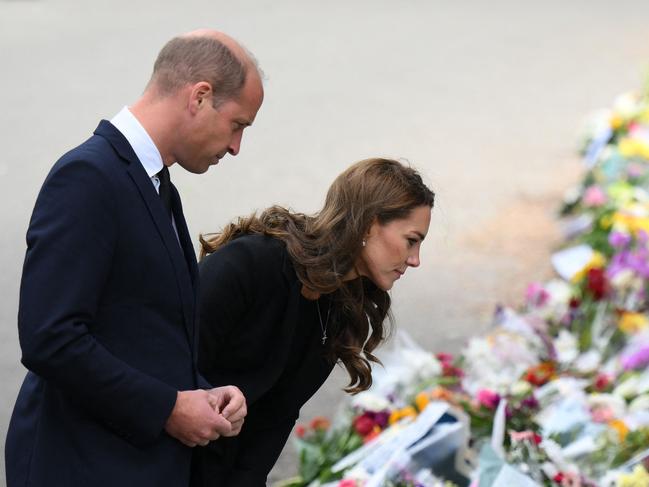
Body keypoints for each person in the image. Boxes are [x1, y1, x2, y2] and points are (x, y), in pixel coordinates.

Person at [5, 29, 264, 487]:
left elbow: (140, 334)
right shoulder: (88, 176)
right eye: (238, 124)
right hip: (80, 467)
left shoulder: (156, 183)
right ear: (200, 97)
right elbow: (50, 338)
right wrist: (167, 409)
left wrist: (203, 394)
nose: (236, 146)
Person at [196, 157, 435, 485]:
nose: (415, 259)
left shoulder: (341, 307)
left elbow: (278, 416)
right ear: (368, 224)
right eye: (411, 239)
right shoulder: (251, 264)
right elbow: (167, 364)